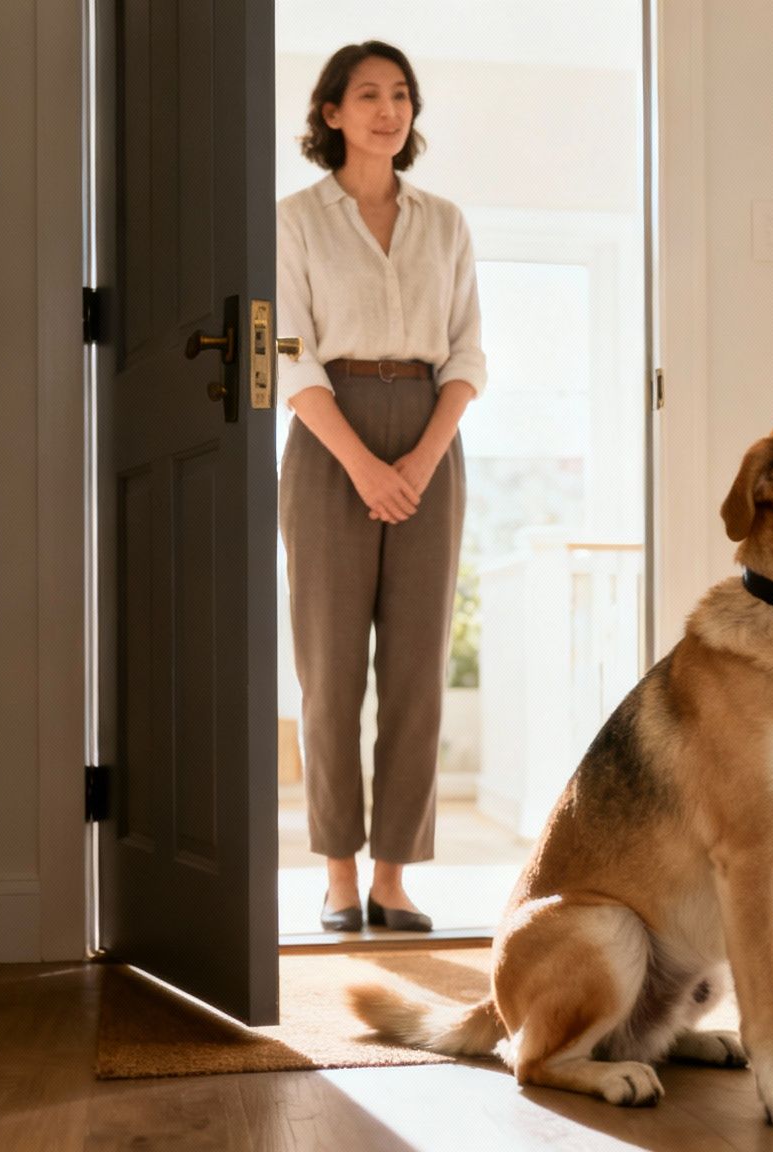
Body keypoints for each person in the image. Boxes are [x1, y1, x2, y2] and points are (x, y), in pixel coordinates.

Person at [276, 40, 486, 935]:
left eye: (401, 94)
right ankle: (336, 874)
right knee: (330, 671)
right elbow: (289, 350)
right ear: (331, 113)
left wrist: (422, 459)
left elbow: (469, 352)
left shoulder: (446, 222)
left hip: (433, 436)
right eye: (366, 95)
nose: (387, 110)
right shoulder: (295, 220)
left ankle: (394, 876)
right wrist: (364, 463)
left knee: (415, 671)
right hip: (330, 436)